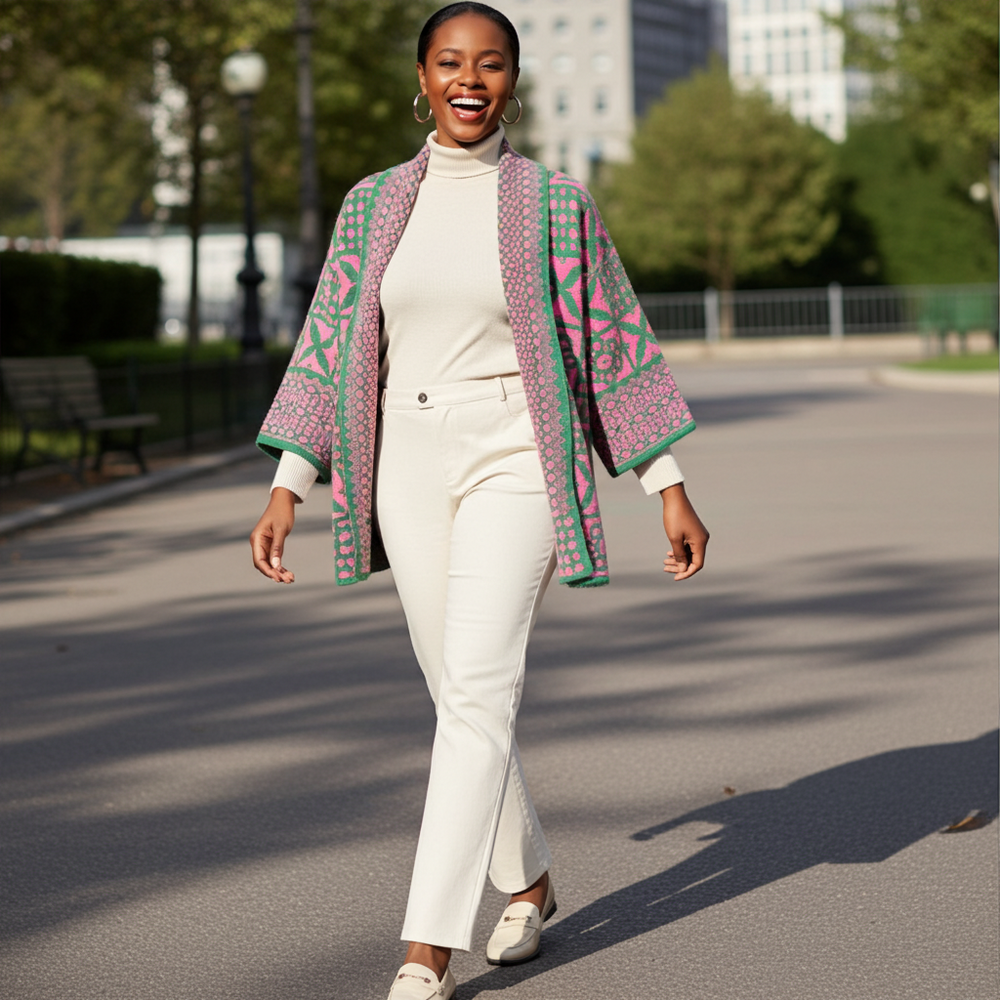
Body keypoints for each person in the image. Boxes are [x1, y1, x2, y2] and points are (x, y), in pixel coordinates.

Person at [249, 4, 709, 998]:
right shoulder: (373, 205)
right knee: (458, 690)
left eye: (490, 64)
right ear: (422, 76)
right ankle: (530, 879)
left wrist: (665, 482)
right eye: (451, 62)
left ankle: (426, 946)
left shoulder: (552, 202)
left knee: (477, 689)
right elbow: (329, 343)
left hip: (520, 452)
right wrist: (291, 479)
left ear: (511, 82)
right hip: (405, 460)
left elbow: (610, 338)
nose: (470, 79)